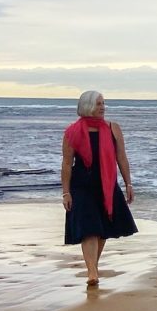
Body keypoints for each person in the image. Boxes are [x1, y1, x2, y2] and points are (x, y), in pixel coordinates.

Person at [61, 91, 137, 286]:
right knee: (89, 229)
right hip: (81, 185)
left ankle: (93, 266)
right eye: (98, 104)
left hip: (107, 183)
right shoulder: (72, 131)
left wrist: (128, 183)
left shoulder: (113, 128)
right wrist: (66, 192)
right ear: (87, 107)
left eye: (103, 103)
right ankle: (92, 272)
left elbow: (121, 157)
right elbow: (67, 164)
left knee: (103, 228)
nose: (103, 107)